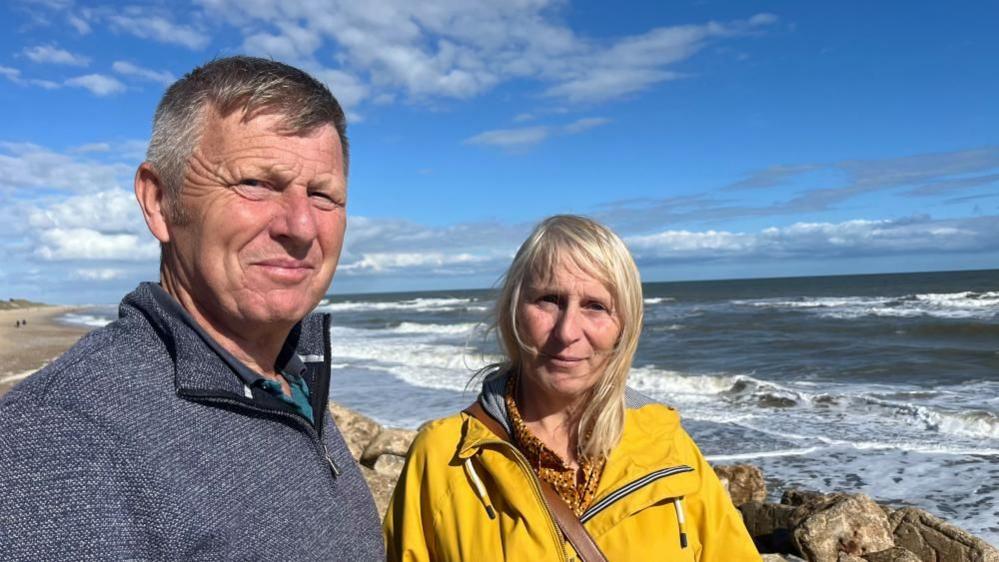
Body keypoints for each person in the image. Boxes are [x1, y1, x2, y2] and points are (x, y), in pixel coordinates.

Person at [0, 56, 383, 559]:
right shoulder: (60, 444)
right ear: (159, 202)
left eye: (323, 194)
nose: (301, 226)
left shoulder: (292, 381)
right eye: (256, 183)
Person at [384, 215, 760, 561]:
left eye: (596, 306)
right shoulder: (444, 457)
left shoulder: (667, 450)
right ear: (514, 310)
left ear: (624, 326)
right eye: (549, 300)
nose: (566, 332)